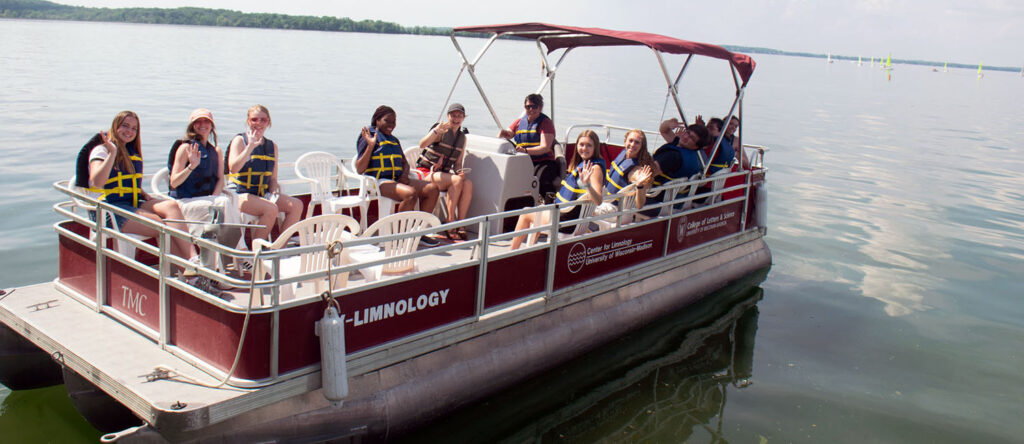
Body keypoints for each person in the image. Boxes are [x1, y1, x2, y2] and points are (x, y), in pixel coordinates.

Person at [79, 110, 195, 260]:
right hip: (106, 210)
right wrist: (112, 153)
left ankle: (194, 260)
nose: (129, 131)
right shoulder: (101, 150)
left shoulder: (130, 152)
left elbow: (123, 179)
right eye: (125, 126)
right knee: (160, 225)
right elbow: (98, 181)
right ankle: (188, 271)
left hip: (128, 204)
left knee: (170, 207)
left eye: (134, 128)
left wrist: (140, 191)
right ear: (115, 126)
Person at [509, 130, 605, 250]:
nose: (584, 148)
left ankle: (512, 252)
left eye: (589, 145)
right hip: (572, 218)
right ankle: (530, 252)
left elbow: (599, 200)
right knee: (539, 211)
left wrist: (587, 184)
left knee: (526, 213)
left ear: (595, 148)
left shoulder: (595, 169)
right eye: (581, 145)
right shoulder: (586, 165)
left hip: (566, 221)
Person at [226, 105, 302, 241]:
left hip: (262, 194)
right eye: (254, 119)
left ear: (268, 122)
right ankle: (259, 251)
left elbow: (273, 179)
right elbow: (233, 168)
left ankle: (279, 248)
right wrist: (249, 147)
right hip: (239, 195)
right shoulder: (239, 141)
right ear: (248, 121)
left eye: (263, 120)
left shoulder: (272, 146)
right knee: (271, 209)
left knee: (296, 205)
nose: (258, 123)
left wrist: (273, 193)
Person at [355, 105, 439, 215]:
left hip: (397, 179)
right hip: (379, 182)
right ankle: (402, 230)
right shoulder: (368, 137)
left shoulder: (394, 140)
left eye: (393, 122)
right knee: (410, 194)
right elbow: (359, 169)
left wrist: (404, 175)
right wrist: (370, 146)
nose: (391, 125)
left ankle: (419, 228)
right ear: (377, 120)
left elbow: (405, 163)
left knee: (432, 189)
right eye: (387, 121)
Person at [416, 103, 473, 240]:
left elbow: (458, 163)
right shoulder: (441, 131)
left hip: (444, 175)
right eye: (453, 115)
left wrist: (460, 171)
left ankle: (461, 223)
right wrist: (435, 131)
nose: (456, 118)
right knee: (456, 180)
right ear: (448, 116)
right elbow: (422, 144)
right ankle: (450, 221)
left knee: (467, 183)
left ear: (464, 118)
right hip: (426, 173)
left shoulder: (462, 138)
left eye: (459, 116)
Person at [640, 120, 710, 218]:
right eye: (687, 133)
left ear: (696, 146)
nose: (686, 137)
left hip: (656, 200)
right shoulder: (690, 154)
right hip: (676, 201)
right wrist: (668, 124)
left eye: (692, 138)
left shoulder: (673, 157)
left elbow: (646, 175)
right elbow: (664, 130)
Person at [498, 94, 560, 201]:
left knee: (542, 180)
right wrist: (503, 134)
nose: (531, 109)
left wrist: (525, 151)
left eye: (534, 107)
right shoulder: (519, 122)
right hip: (523, 161)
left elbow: (545, 147)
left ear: (540, 107)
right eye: (528, 107)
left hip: (543, 162)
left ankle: (549, 204)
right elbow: (509, 133)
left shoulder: (545, 123)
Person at [596, 129, 655, 217]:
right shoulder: (624, 154)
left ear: (642, 147)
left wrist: (639, 184)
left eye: (637, 142)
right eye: (630, 141)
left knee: (584, 209)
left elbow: (640, 205)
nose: (632, 145)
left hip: (615, 208)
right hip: (605, 200)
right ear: (625, 141)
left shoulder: (636, 169)